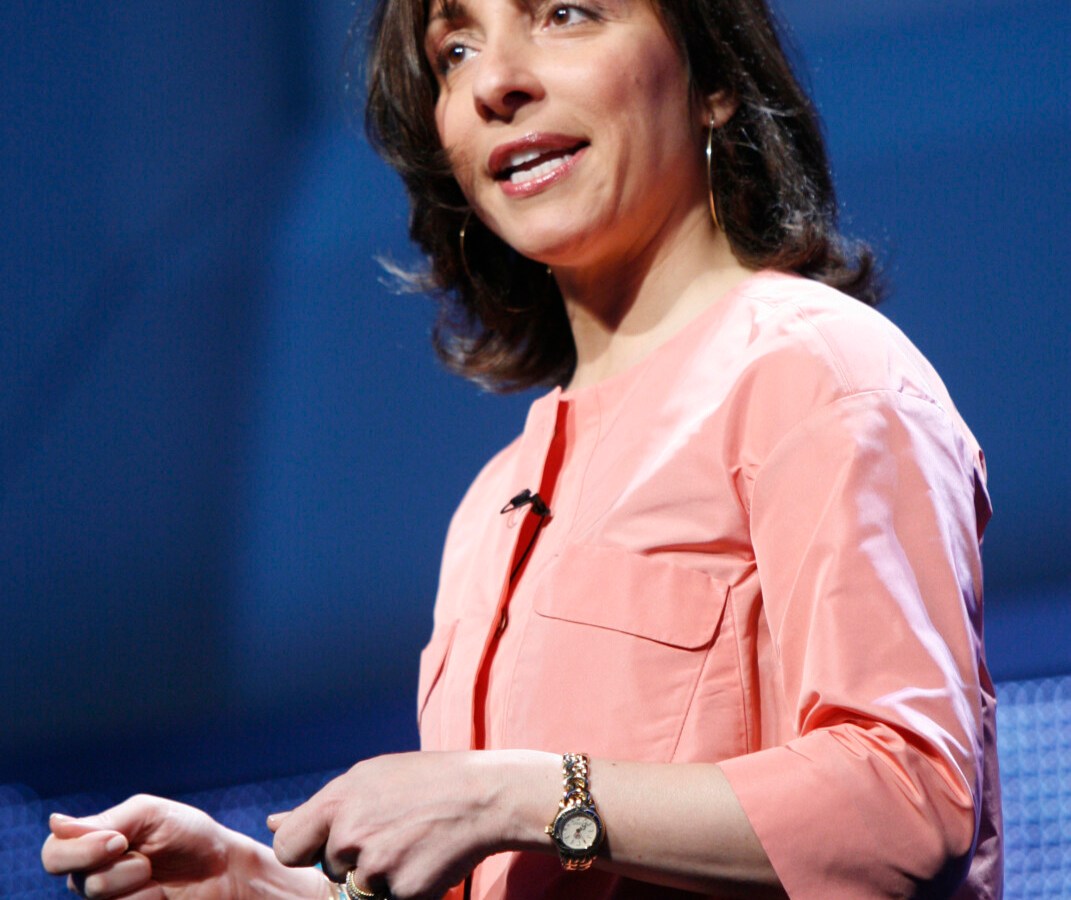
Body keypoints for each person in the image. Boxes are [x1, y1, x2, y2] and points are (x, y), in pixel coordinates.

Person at [41, 0, 1003, 896]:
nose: (494, 82)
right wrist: (267, 887)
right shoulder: (490, 504)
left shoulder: (815, 371)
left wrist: (511, 796)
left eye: (563, 13)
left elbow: (909, 803)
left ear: (712, 76)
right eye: (454, 51)